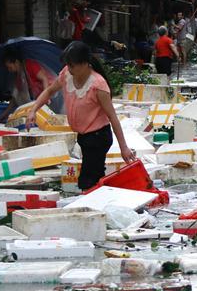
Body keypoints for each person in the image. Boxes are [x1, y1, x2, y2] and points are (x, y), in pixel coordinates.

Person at [27, 41, 135, 190]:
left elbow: (112, 117)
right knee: (94, 176)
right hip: (84, 137)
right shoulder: (67, 74)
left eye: (72, 65)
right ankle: (102, 196)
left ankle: (96, 198)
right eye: (68, 65)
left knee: (88, 181)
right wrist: (33, 110)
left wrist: (124, 148)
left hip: (98, 137)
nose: (69, 68)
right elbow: (50, 91)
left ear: (84, 63)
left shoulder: (98, 85)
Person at [0, 47, 61, 122]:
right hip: (40, 101)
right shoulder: (18, 77)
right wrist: (4, 113)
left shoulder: (29, 64)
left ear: (16, 62)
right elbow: (15, 98)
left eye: (10, 67)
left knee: (55, 120)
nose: (9, 70)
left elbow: (44, 78)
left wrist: (46, 98)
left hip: (53, 96)